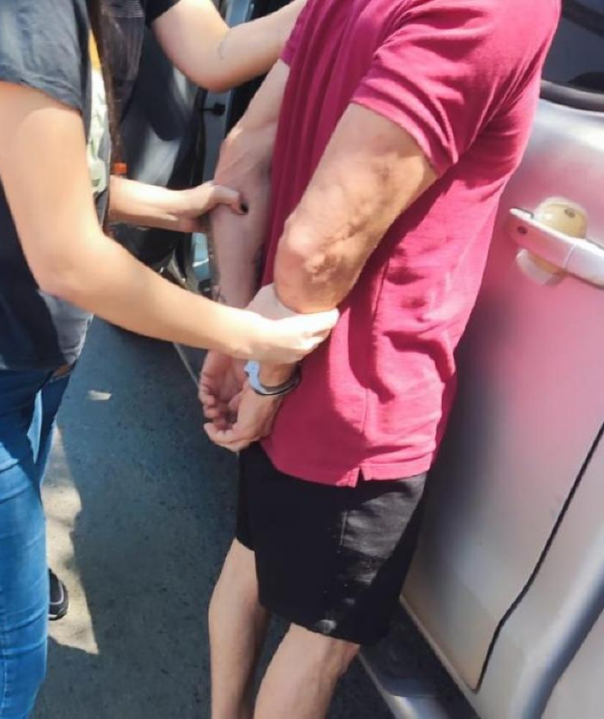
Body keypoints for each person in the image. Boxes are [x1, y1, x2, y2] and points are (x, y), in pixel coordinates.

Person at [0, 0, 337, 716]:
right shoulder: (29, 11)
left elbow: (38, 174)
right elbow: (67, 257)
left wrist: (169, 206)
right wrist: (244, 334)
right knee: (1, 664)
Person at [198, 0, 561, 717]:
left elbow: (244, 151)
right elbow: (315, 246)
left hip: (292, 351)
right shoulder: (503, 10)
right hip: (365, 395)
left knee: (251, 560)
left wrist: (241, 334)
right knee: (321, 645)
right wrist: (267, 374)